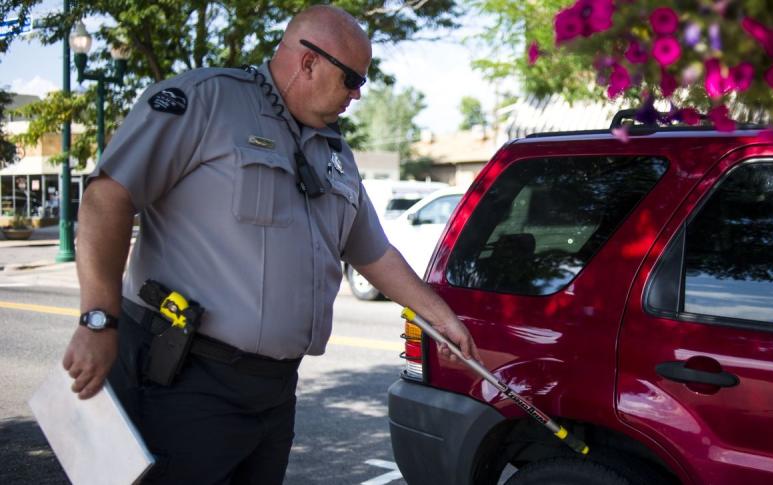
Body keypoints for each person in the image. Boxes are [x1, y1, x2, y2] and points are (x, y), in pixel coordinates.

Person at [60, 5, 478, 483]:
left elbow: (371, 251)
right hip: (187, 381)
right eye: (351, 80)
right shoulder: (205, 101)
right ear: (308, 62)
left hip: (275, 392)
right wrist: (98, 321)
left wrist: (437, 314)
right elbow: (106, 198)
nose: (358, 94)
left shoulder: (335, 151)